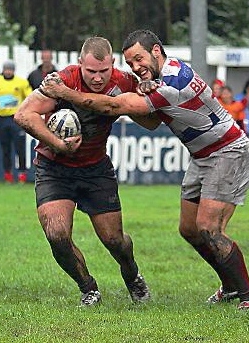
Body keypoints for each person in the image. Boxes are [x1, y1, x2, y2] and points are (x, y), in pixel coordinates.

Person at [38, 30, 249, 310]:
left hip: (227, 151)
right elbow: (147, 113)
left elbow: (114, 105)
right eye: (131, 63)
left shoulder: (172, 83)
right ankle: (230, 287)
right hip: (202, 155)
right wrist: (144, 84)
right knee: (190, 230)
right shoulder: (164, 73)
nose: (135, 67)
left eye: (139, 59)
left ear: (156, 51)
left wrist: (65, 93)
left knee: (209, 228)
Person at [14, 36, 154, 306]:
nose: (98, 78)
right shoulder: (63, 80)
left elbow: (150, 123)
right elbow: (23, 114)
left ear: (113, 64)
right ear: (80, 65)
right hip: (54, 167)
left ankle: (132, 274)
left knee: (115, 241)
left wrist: (145, 93)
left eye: (104, 71)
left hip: (95, 170)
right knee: (57, 234)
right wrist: (58, 144)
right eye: (91, 72)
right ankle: (88, 287)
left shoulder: (124, 82)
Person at [0, 60, 32, 183]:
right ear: (3, 70)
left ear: (13, 70)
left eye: (10, 69)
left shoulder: (21, 82)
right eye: (6, 69)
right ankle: (8, 175)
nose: (8, 71)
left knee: (20, 148)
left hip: (16, 119)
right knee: (5, 148)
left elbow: (30, 98)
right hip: (2, 119)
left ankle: (22, 174)